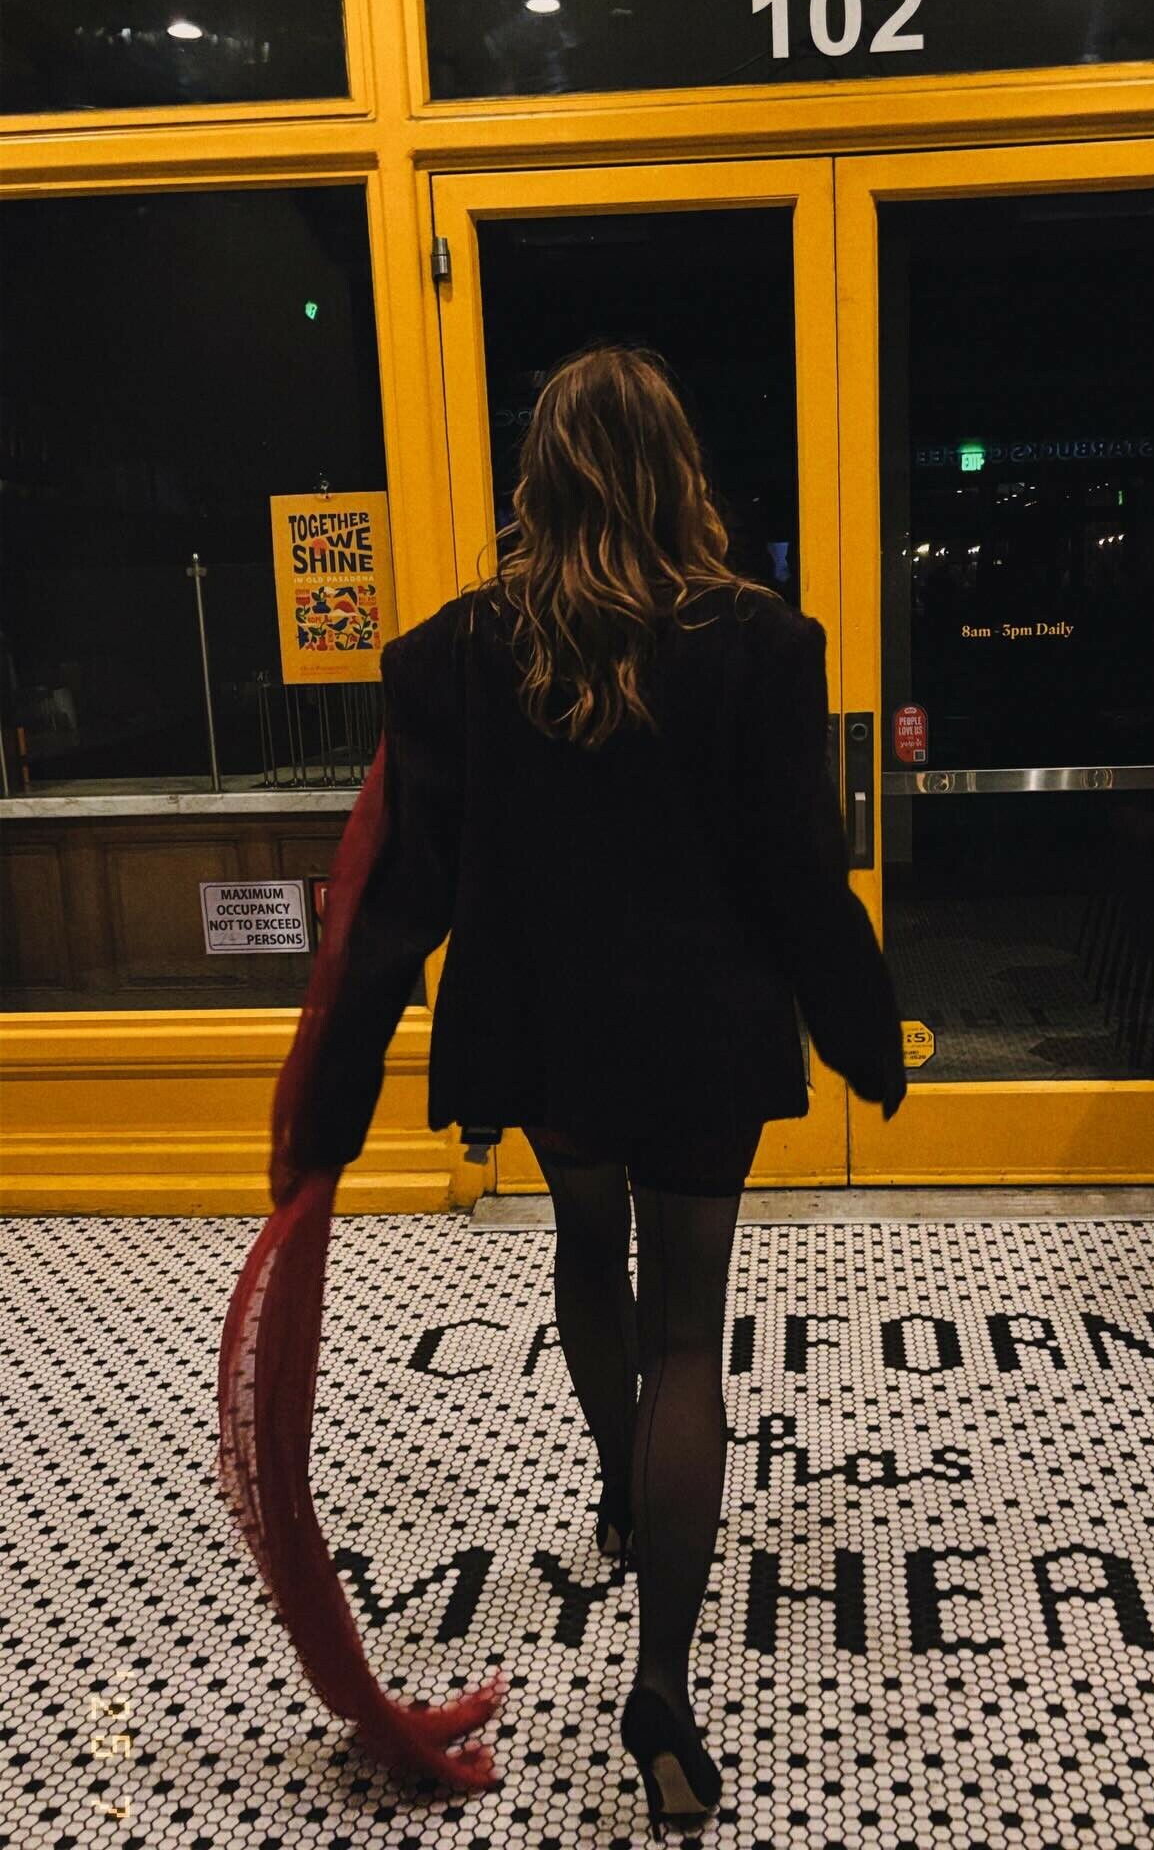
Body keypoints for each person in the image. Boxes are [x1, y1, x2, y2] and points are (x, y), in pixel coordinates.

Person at [237, 343, 906, 1827]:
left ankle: (616, 1483)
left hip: (545, 1036)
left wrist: (330, 1106)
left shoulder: (451, 656)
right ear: (679, 477)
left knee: (586, 1249)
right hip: (706, 1035)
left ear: (536, 484)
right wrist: (865, 1031)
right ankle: (662, 1683)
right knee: (689, 1337)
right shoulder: (760, 643)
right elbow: (802, 872)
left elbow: (396, 900)